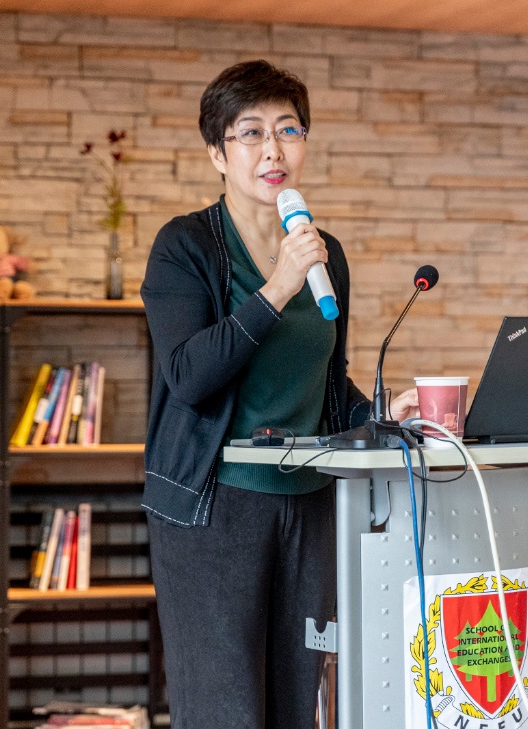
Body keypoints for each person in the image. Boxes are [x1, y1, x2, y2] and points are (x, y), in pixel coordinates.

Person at [140, 60, 419, 729]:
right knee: (227, 708)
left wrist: (380, 413)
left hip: (310, 503)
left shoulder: (325, 253)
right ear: (218, 153)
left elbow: (322, 380)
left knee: (300, 703)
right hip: (217, 508)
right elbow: (189, 376)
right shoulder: (185, 247)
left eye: (288, 130)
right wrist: (276, 290)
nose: (273, 149)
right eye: (251, 132)